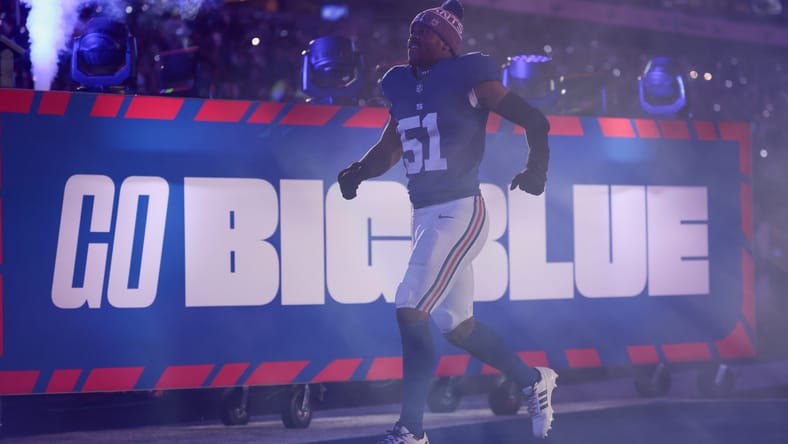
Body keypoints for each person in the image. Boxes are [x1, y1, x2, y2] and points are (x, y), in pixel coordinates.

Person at [337, 1, 557, 442]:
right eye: (412, 30)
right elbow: (391, 146)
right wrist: (359, 171)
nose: (412, 37)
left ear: (446, 42)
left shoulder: (469, 75)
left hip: (461, 210)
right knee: (455, 325)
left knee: (409, 306)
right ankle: (532, 379)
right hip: (425, 215)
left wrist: (537, 168)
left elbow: (534, 119)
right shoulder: (399, 83)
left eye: (424, 32)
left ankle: (411, 430)